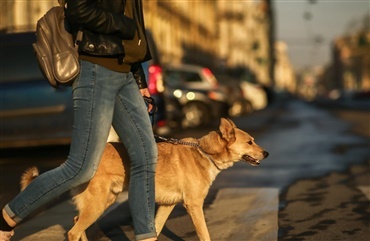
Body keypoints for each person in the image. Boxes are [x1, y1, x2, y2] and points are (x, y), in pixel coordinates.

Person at [0, 0, 158, 240]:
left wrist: (139, 80)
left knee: (146, 155)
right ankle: (6, 219)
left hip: (124, 71)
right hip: (96, 69)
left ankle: (147, 236)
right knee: (81, 167)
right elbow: (78, 9)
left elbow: (130, 34)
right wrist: (125, 26)